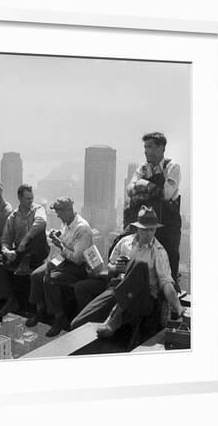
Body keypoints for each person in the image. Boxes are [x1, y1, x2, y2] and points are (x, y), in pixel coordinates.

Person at [70, 206, 184, 339]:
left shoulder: (158, 251)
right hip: (118, 290)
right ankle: (108, 323)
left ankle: (115, 316)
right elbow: (110, 269)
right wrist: (116, 268)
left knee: (138, 265)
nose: (148, 233)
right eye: (144, 229)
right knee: (77, 324)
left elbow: (167, 284)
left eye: (151, 230)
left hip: (142, 297)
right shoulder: (124, 243)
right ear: (137, 228)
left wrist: (179, 308)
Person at [27, 197, 93, 337]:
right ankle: (40, 310)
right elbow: (66, 242)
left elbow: (77, 259)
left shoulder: (82, 228)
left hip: (78, 267)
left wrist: (60, 245)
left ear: (68, 211)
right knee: (36, 275)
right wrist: (58, 235)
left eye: (59, 212)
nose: (57, 215)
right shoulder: (66, 223)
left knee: (50, 278)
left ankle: (59, 317)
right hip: (63, 260)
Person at [125, 132, 182, 281]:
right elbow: (130, 190)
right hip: (146, 222)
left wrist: (144, 184)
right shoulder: (143, 169)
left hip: (167, 223)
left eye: (149, 147)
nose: (145, 151)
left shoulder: (172, 167)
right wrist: (151, 190)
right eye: (145, 147)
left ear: (161, 148)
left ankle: (169, 294)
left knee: (169, 256)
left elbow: (166, 194)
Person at [0, 184, 50, 318]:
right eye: (27, 198)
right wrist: (7, 252)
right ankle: (10, 299)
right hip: (21, 251)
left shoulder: (38, 209)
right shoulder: (13, 216)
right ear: (20, 198)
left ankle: (26, 261)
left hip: (36, 250)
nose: (30, 201)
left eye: (31, 198)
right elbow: (6, 239)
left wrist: (25, 239)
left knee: (37, 233)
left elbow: (41, 222)